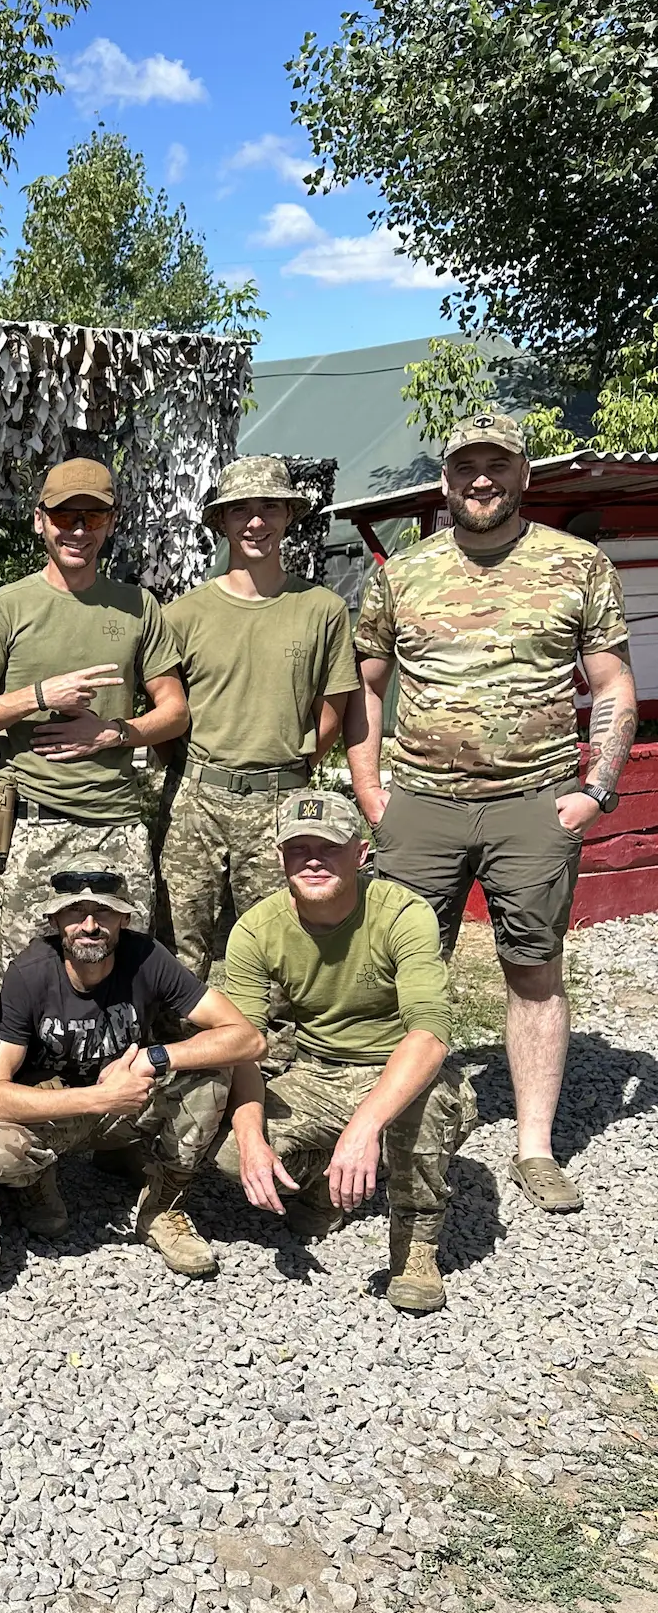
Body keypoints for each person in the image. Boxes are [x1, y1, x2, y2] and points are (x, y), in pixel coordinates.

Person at [349, 411, 635, 1212]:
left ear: (523, 475)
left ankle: (535, 1148)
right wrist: (372, 793)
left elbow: (611, 684)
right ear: (445, 480)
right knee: (402, 969)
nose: (481, 479)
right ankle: (394, 1128)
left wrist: (594, 792)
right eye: (466, 466)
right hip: (421, 803)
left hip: (533, 804)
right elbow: (366, 689)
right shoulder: (403, 574)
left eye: (497, 465)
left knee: (534, 972)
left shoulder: (577, 565)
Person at [208, 790, 470, 1315]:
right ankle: (330, 1185)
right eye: (298, 848)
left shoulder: (403, 915)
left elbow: (430, 1035)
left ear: (360, 853)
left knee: (427, 1109)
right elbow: (241, 1047)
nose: (312, 860)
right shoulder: (258, 929)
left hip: (397, 1068)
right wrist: (251, 1138)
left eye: (328, 847)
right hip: (317, 1072)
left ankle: (415, 1247)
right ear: (280, 859)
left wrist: (364, 1127)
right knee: (233, 1155)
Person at [0, 458, 188, 966]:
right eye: (64, 516)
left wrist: (114, 734)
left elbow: (175, 712)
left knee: (121, 982)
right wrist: (40, 696)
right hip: (33, 827)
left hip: (116, 826)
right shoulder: (6, 607)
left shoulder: (138, 606)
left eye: (93, 517)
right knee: (21, 984)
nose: (78, 530)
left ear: (112, 522)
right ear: (40, 520)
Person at [0, 864, 263, 1276]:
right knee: (1, 1152)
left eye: (104, 913)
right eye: (75, 913)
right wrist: (99, 1097)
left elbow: (247, 1038)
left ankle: (163, 1207)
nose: (90, 926)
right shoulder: (29, 974)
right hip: (60, 1107)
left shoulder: (146, 956)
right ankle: (38, 1185)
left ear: (124, 919)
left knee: (211, 1070)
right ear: (55, 921)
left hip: (130, 1099)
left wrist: (154, 1058)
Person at [159, 457, 360, 976]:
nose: (256, 521)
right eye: (241, 510)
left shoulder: (321, 609)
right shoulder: (183, 614)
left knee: (278, 941)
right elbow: (166, 711)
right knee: (182, 942)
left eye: (269, 506)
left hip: (281, 798)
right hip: (196, 799)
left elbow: (332, 714)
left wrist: (284, 768)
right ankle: (184, 1054)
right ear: (221, 521)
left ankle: (272, 1055)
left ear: (289, 515)